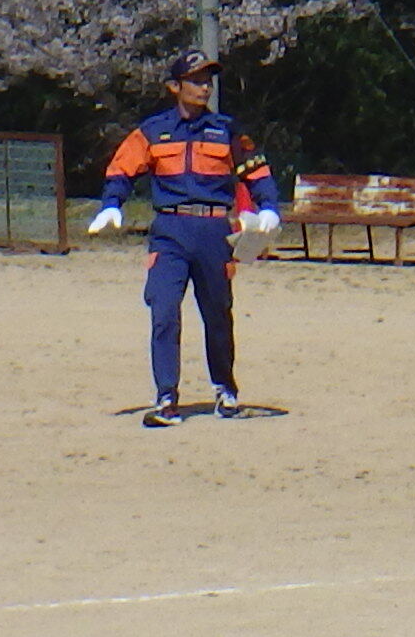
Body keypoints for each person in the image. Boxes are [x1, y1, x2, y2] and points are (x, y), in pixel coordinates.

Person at [89, 48, 277, 424]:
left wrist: (268, 206)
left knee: (218, 315)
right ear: (174, 86)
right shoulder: (153, 131)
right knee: (163, 310)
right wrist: (112, 203)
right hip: (170, 232)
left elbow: (256, 172)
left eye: (208, 80)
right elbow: (122, 168)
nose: (204, 87)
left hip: (213, 232)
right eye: (195, 80)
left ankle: (225, 391)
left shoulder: (227, 130)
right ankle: (166, 398)